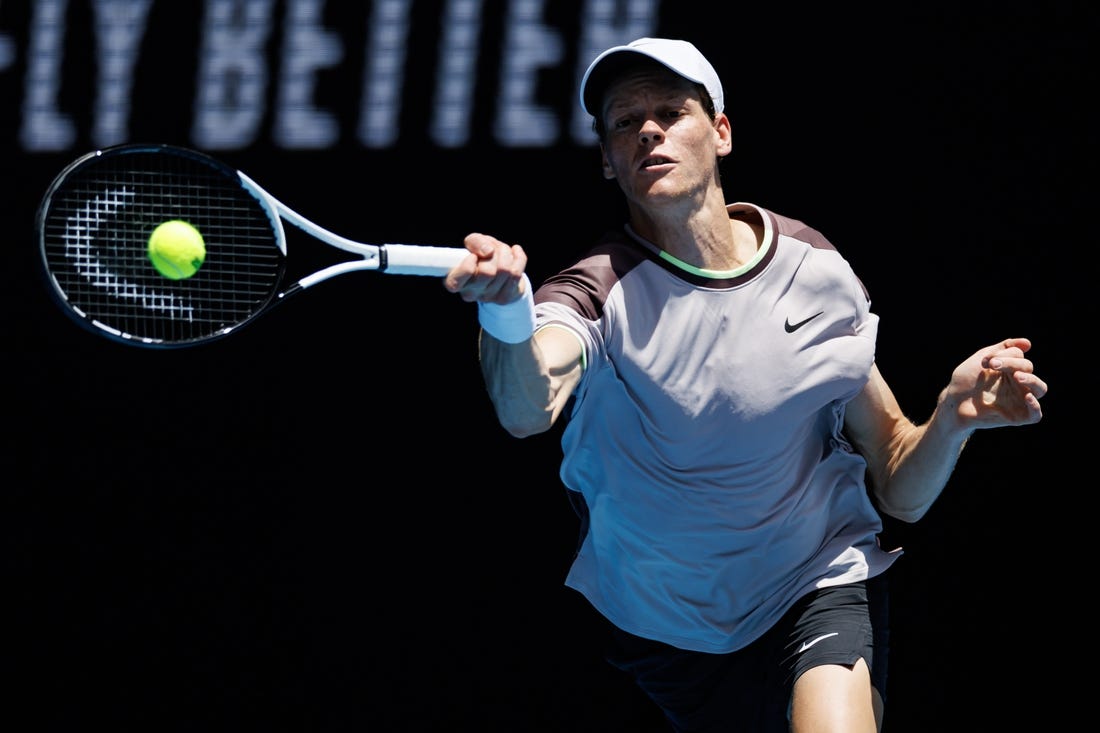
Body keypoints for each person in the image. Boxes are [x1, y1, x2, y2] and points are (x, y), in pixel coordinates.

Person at [443, 37, 1046, 732]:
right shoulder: (595, 290)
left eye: (670, 112)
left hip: (814, 578)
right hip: (664, 626)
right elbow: (526, 407)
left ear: (721, 132)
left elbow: (899, 486)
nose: (647, 130)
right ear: (607, 160)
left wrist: (950, 417)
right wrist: (506, 314)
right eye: (623, 122)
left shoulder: (815, 270)